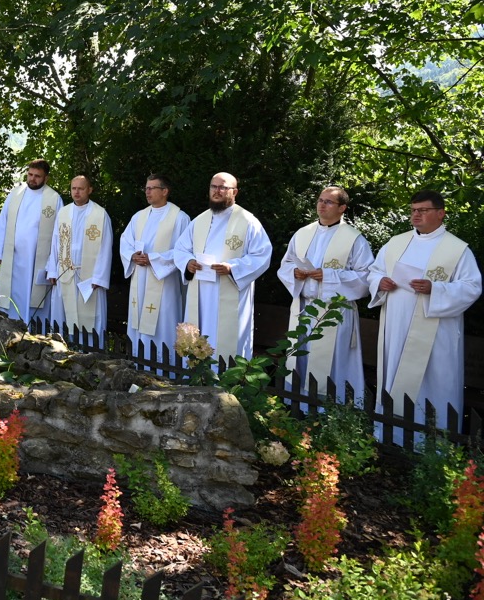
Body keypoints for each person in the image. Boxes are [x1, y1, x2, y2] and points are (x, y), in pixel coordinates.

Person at [368, 191, 481, 428]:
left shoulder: (457, 250)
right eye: (413, 210)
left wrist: (435, 289)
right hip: (397, 324)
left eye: (423, 210)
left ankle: (433, 440)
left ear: (441, 213)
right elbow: (375, 271)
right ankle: (392, 433)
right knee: (396, 371)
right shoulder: (396, 243)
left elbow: (472, 287)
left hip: (435, 331)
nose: (416, 215)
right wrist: (380, 282)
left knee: (433, 379)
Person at [275, 186, 374, 402]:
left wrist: (328, 276)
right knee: (301, 357)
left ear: (342, 208)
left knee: (332, 363)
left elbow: (366, 277)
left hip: (335, 313)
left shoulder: (354, 239)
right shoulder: (303, 233)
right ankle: (298, 407)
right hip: (304, 308)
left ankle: (329, 409)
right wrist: (295, 273)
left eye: (329, 202)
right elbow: (286, 264)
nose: (322, 205)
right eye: (320, 200)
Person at [174, 172, 273, 362]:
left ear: (234, 192)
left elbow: (262, 255)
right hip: (200, 292)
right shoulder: (199, 220)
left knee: (226, 343)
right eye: (213, 186)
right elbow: (180, 249)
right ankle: (197, 377)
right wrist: (188, 262)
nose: (217, 191)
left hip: (229, 290)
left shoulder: (247, 221)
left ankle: (227, 378)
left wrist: (232, 268)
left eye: (223, 187)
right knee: (198, 335)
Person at [118, 174, 190, 362]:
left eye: (152, 188)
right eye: (146, 188)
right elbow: (125, 241)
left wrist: (155, 259)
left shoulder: (180, 218)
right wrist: (132, 256)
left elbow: (184, 252)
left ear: (165, 191)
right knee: (139, 320)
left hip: (164, 282)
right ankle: (138, 364)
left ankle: (164, 367)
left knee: (162, 322)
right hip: (140, 279)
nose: (147, 192)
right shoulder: (138, 217)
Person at [0, 160, 63, 323]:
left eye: (37, 176)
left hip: (37, 259)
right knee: (9, 293)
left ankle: (32, 331)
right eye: (30, 174)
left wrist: (53, 264)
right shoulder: (15, 194)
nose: (32, 179)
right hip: (12, 257)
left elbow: (58, 234)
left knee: (34, 296)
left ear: (46, 178)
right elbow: (2, 222)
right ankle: (5, 327)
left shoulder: (54, 199)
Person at [45, 175, 114, 336]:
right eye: (73, 188)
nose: (76, 192)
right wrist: (52, 271)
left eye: (81, 189)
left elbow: (105, 247)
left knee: (89, 318)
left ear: (89, 190)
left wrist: (99, 278)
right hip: (65, 273)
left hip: (89, 278)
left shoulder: (100, 214)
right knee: (63, 316)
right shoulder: (63, 212)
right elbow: (55, 243)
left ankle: (87, 349)